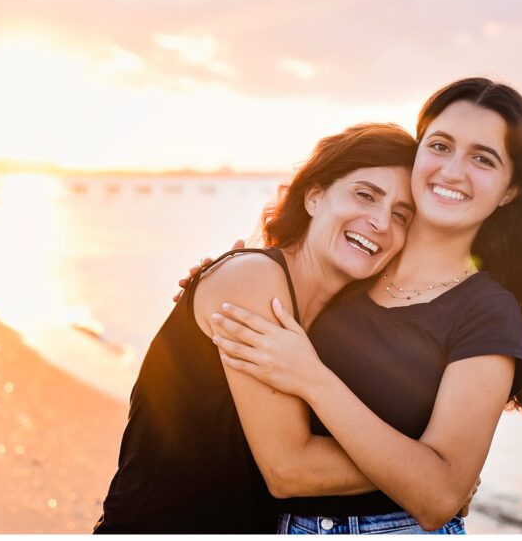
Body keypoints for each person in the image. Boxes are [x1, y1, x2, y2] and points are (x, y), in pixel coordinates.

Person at [208, 77, 522, 534]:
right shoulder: (355, 266)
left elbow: (437, 501)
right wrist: (212, 287)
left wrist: (314, 379)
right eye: (440, 145)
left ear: (510, 190)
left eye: (482, 158)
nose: (453, 171)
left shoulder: (487, 311)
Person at [93, 122, 427, 533]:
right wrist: (428, 476)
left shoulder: (340, 323)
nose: (380, 221)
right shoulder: (253, 280)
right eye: (364, 194)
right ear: (314, 196)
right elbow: (290, 470)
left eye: (400, 214)